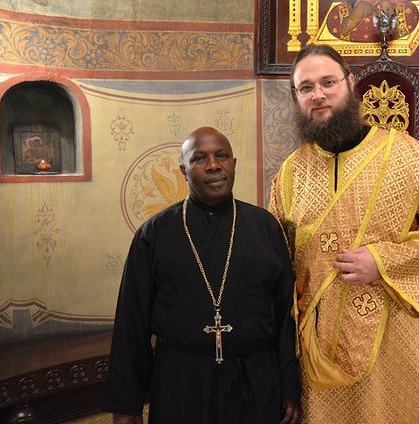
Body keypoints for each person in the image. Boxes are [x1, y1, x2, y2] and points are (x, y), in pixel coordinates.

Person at [268, 44, 419, 423]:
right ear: (296, 97)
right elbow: (276, 257)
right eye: (305, 87)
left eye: (328, 82)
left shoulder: (410, 157)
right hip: (320, 341)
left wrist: (382, 261)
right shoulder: (290, 173)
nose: (318, 94)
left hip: (394, 336)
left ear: (351, 84)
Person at [105, 127, 301, 423]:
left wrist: (289, 385)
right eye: (199, 158)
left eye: (221, 156)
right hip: (181, 383)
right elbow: (131, 321)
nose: (213, 165)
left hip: (256, 381)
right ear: (183, 170)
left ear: (233, 164)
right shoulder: (155, 234)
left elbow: (287, 315)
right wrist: (126, 405)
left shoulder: (265, 227)